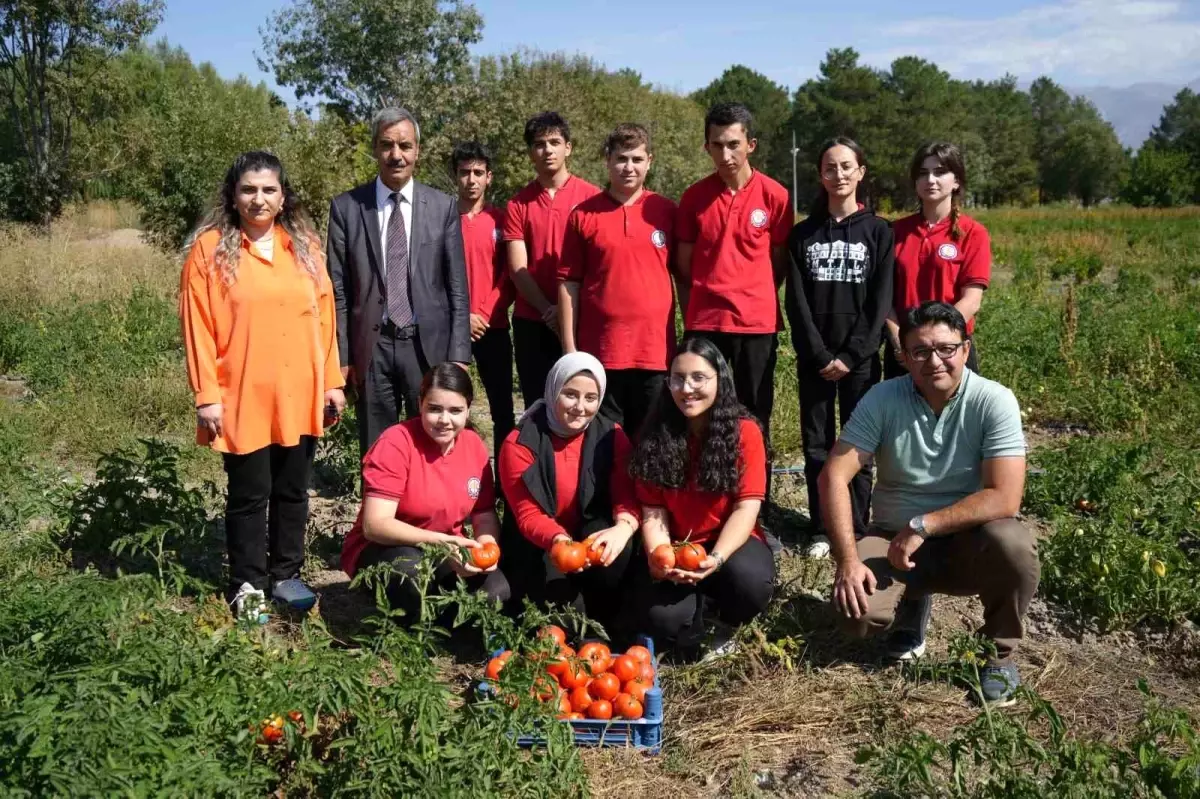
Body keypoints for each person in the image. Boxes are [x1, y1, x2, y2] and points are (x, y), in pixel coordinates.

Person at [820, 302, 1038, 706]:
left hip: (967, 539)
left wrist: (923, 526)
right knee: (857, 616)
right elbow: (834, 475)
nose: (933, 361)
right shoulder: (882, 398)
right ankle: (911, 603)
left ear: (966, 349)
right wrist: (847, 559)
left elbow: (1006, 497)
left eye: (946, 349)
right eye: (919, 352)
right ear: (903, 357)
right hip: (891, 538)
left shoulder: (994, 400)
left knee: (1013, 545)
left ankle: (999, 653)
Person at [179, 150, 345, 619]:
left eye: (268, 189)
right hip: (242, 393)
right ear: (233, 196)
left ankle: (286, 575)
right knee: (250, 494)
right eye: (249, 189)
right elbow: (198, 326)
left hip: (302, 390)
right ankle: (248, 585)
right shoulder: (210, 249)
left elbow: (325, 318)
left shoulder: (305, 247)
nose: (258, 198)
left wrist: (332, 382)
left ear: (283, 195)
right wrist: (206, 395)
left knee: (294, 489)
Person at [327, 106, 471, 454]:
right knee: (377, 449)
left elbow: (457, 288)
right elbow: (338, 291)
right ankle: (379, 510)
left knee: (433, 446)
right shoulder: (347, 207)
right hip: (372, 348)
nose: (396, 155)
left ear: (417, 151)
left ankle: (427, 510)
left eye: (405, 146)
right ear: (375, 148)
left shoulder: (442, 207)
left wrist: (459, 355)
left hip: (428, 348)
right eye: (387, 145)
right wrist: (341, 357)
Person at [627, 337, 776, 659]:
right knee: (663, 622)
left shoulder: (745, 431)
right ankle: (694, 607)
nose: (687, 388)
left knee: (751, 584)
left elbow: (746, 507)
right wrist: (659, 556)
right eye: (678, 378)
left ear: (719, 381)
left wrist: (717, 558)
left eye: (699, 378)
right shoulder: (654, 434)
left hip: (730, 541)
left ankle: (721, 612)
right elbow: (653, 511)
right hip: (678, 544)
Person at [786, 137, 894, 553]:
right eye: (830, 168)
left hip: (860, 361)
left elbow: (879, 301)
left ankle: (857, 525)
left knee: (859, 444)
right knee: (816, 443)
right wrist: (817, 354)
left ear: (860, 172)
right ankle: (821, 526)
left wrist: (851, 356)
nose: (839, 175)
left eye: (847, 166)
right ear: (820, 175)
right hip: (814, 358)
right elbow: (796, 302)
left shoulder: (879, 232)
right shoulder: (802, 235)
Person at [341, 363, 508, 624]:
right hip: (387, 546)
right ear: (420, 404)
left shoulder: (474, 446)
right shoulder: (396, 442)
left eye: (455, 411)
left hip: (447, 548)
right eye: (434, 409)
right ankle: (413, 617)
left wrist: (487, 547)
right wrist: (441, 543)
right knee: (411, 575)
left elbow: (484, 513)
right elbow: (375, 525)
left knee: (497, 591)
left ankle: (433, 617)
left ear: (468, 410)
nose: (445, 420)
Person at [497, 352, 639, 639]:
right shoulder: (519, 442)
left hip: (589, 533)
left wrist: (624, 526)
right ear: (553, 391)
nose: (580, 407)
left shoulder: (612, 435)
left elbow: (626, 494)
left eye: (590, 397)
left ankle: (605, 611)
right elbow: (527, 515)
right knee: (565, 624)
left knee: (620, 552)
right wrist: (559, 541)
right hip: (541, 544)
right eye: (570, 394)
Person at [675, 102, 790, 437]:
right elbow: (684, 265)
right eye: (717, 145)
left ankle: (756, 488)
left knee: (754, 413)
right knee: (702, 412)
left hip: (756, 324)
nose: (725, 154)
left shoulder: (775, 196)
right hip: (706, 322)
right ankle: (707, 487)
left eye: (733, 144)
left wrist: (754, 292)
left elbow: (779, 261)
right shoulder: (694, 197)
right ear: (706, 146)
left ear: (750, 144)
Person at [558, 123, 677, 439]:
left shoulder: (665, 212)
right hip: (601, 354)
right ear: (607, 160)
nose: (629, 167)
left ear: (649, 161)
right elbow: (569, 284)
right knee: (602, 446)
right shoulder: (582, 215)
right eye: (622, 158)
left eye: (637, 159)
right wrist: (571, 350)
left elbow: (685, 276)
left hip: (655, 354)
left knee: (653, 444)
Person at [503, 112, 601, 409]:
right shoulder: (518, 204)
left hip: (581, 318)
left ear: (568, 147)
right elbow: (518, 268)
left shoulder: (592, 198)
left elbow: (597, 264)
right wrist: (549, 310)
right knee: (538, 404)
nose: (547, 150)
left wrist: (566, 311)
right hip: (532, 319)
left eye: (555, 142)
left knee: (580, 403)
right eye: (539, 144)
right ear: (531, 152)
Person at [886, 141, 991, 379]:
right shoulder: (894, 232)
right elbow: (884, 298)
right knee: (901, 417)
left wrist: (937, 343)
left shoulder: (973, 233)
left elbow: (971, 301)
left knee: (956, 417)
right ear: (915, 182)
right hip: (904, 353)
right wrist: (899, 341)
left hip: (950, 350)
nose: (931, 179)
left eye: (940, 172)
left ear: (956, 181)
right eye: (923, 173)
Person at [452, 141, 515, 463]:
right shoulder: (441, 219)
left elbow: (510, 275)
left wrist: (485, 312)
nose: (471, 180)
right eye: (465, 173)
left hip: (494, 326)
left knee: (502, 410)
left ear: (489, 177)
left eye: (478, 172)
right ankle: (455, 480)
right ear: (455, 177)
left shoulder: (502, 220)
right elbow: (433, 277)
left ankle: (505, 488)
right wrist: (463, 316)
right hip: (452, 330)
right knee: (450, 406)